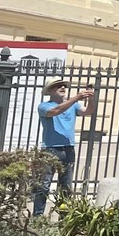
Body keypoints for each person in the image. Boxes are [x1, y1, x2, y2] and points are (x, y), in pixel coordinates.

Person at [33, 78, 94, 215]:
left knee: (66, 186)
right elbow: (55, 111)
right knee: (44, 185)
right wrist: (76, 97)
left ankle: (64, 217)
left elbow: (88, 111)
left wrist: (90, 98)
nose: (62, 88)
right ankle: (37, 217)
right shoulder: (44, 106)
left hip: (68, 149)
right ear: (50, 91)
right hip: (50, 150)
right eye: (58, 86)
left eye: (63, 86)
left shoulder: (73, 105)